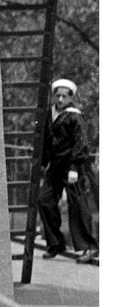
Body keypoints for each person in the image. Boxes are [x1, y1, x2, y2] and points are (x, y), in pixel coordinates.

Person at [38, 78, 98, 262]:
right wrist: (43, 163)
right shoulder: (50, 113)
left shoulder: (75, 116)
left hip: (73, 168)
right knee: (44, 201)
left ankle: (89, 247)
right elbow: (46, 140)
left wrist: (74, 167)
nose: (61, 99)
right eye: (58, 95)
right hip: (54, 167)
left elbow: (82, 143)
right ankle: (56, 243)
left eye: (65, 96)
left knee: (78, 205)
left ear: (71, 97)